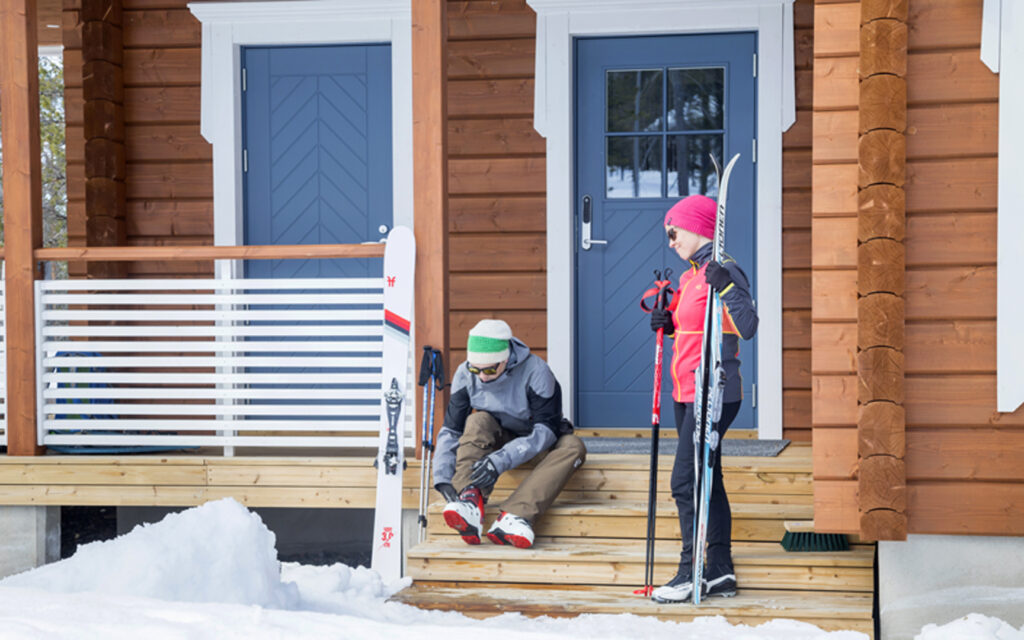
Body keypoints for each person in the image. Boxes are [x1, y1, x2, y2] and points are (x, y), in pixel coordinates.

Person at [648, 194, 759, 603]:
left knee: (686, 481)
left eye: (674, 231)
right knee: (709, 477)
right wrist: (669, 325)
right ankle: (719, 571)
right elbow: (699, 329)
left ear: (697, 227)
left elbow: (746, 325)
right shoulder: (690, 277)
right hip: (685, 392)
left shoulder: (723, 269)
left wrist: (727, 285)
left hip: (713, 392)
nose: (671, 239)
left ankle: (689, 572)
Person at [432, 319, 586, 549]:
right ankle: (470, 500)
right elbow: (451, 431)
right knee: (477, 420)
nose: (482, 377)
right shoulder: (465, 374)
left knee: (574, 447)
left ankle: (515, 516)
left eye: (490, 369)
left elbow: (546, 431)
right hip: (497, 439)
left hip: (538, 444)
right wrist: (442, 478)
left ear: (506, 358)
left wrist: (500, 460)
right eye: (476, 369)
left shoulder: (536, 372)